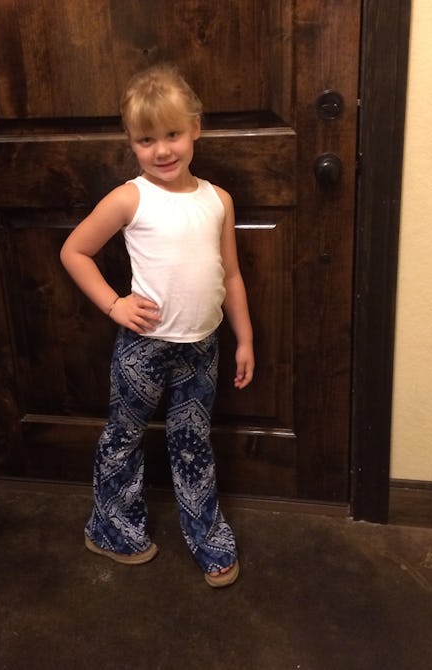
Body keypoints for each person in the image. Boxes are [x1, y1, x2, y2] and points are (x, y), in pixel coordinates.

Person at [60, 63, 254, 588]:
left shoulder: (217, 200)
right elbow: (75, 250)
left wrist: (245, 339)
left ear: (195, 127)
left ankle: (207, 534)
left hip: (203, 347)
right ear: (131, 142)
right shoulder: (131, 197)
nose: (162, 150)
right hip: (143, 347)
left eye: (172, 134)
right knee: (123, 437)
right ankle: (113, 529)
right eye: (146, 140)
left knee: (194, 441)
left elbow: (231, 274)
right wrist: (113, 303)